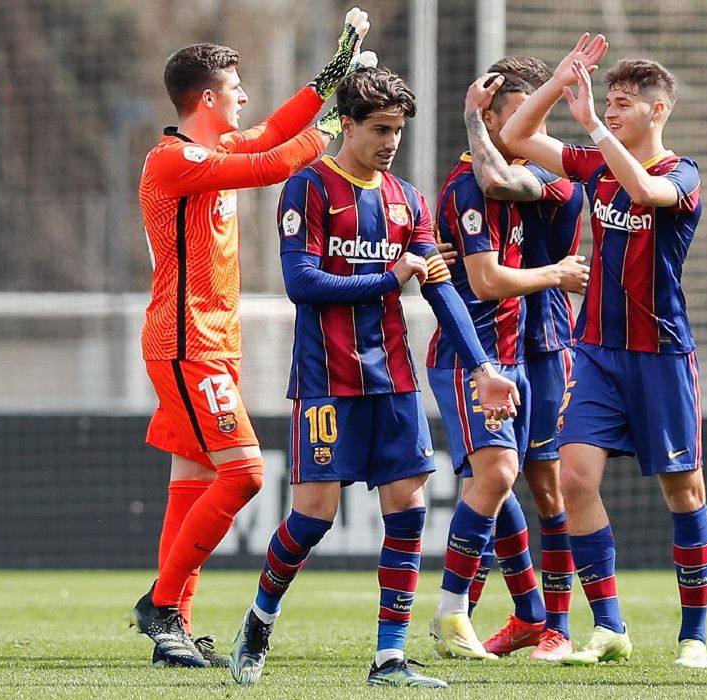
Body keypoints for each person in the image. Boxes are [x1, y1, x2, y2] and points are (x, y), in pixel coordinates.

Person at [227, 65, 519, 689]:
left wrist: (484, 368)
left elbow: (442, 293)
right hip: (326, 383)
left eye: (398, 131)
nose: (390, 142)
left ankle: (388, 657)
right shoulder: (307, 188)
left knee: (409, 513)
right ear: (349, 124)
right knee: (311, 519)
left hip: (395, 382)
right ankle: (258, 619)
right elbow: (302, 284)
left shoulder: (407, 200)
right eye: (380, 129)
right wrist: (392, 277)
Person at [131, 7, 370, 668]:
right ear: (206, 98)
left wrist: (336, 70)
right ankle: (160, 606)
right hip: (187, 345)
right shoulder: (172, 160)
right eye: (235, 86)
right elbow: (278, 162)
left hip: (208, 344)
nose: (244, 96)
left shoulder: (211, 148)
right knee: (243, 474)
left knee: (194, 483)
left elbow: (274, 129)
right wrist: (341, 123)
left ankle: (173, 624)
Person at [500, 35, 707, 669]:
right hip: (595, 353)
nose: (612, 108)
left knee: (685, 492)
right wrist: (558, 82)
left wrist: (593, 124)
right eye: (609, 100)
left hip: (662, 356)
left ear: (657, 111)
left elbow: (646, 193)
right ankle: (611, 625)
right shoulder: (594, 164)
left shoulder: (683, 174)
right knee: (573, 479)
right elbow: (515, 134)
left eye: (625, 102)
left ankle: (693, 635)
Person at [425, 67, 589, 662]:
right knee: (497, 477)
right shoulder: (469, 184)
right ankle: (475, 612)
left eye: (539, 118)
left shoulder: (553, 176)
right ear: (492, 119)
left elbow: (498, 177)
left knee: (539, 481)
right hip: (484, 349)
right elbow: (485, 273)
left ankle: (550, 621)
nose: (531, 128)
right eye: (518, 115)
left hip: (542, 344)